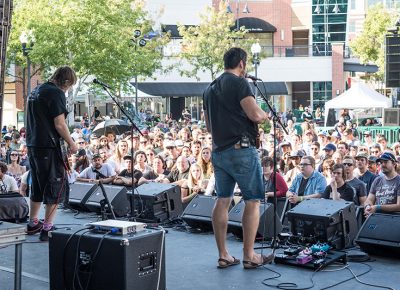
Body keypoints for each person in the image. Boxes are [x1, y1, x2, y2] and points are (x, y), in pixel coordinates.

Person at [203, 47, 273, 269]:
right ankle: (249, 255)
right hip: (241, 149)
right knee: (252, 200)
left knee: (223, 199)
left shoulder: (209, 89)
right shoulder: (241, 83)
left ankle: (223, 255)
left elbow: (208, 126)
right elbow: (254, 114)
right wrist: (265, 115)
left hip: (219, 151)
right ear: (242, 64)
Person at [25, 66, 78, 241]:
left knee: (38, 185)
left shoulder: (37, 90)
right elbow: (60, 124)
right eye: (69, 86)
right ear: (66, 82)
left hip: (34, 145)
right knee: (55, 185)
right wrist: (71, 143)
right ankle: (47, 229)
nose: (68, 89)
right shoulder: (56, 93)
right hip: (49, 147)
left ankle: (33, 223)